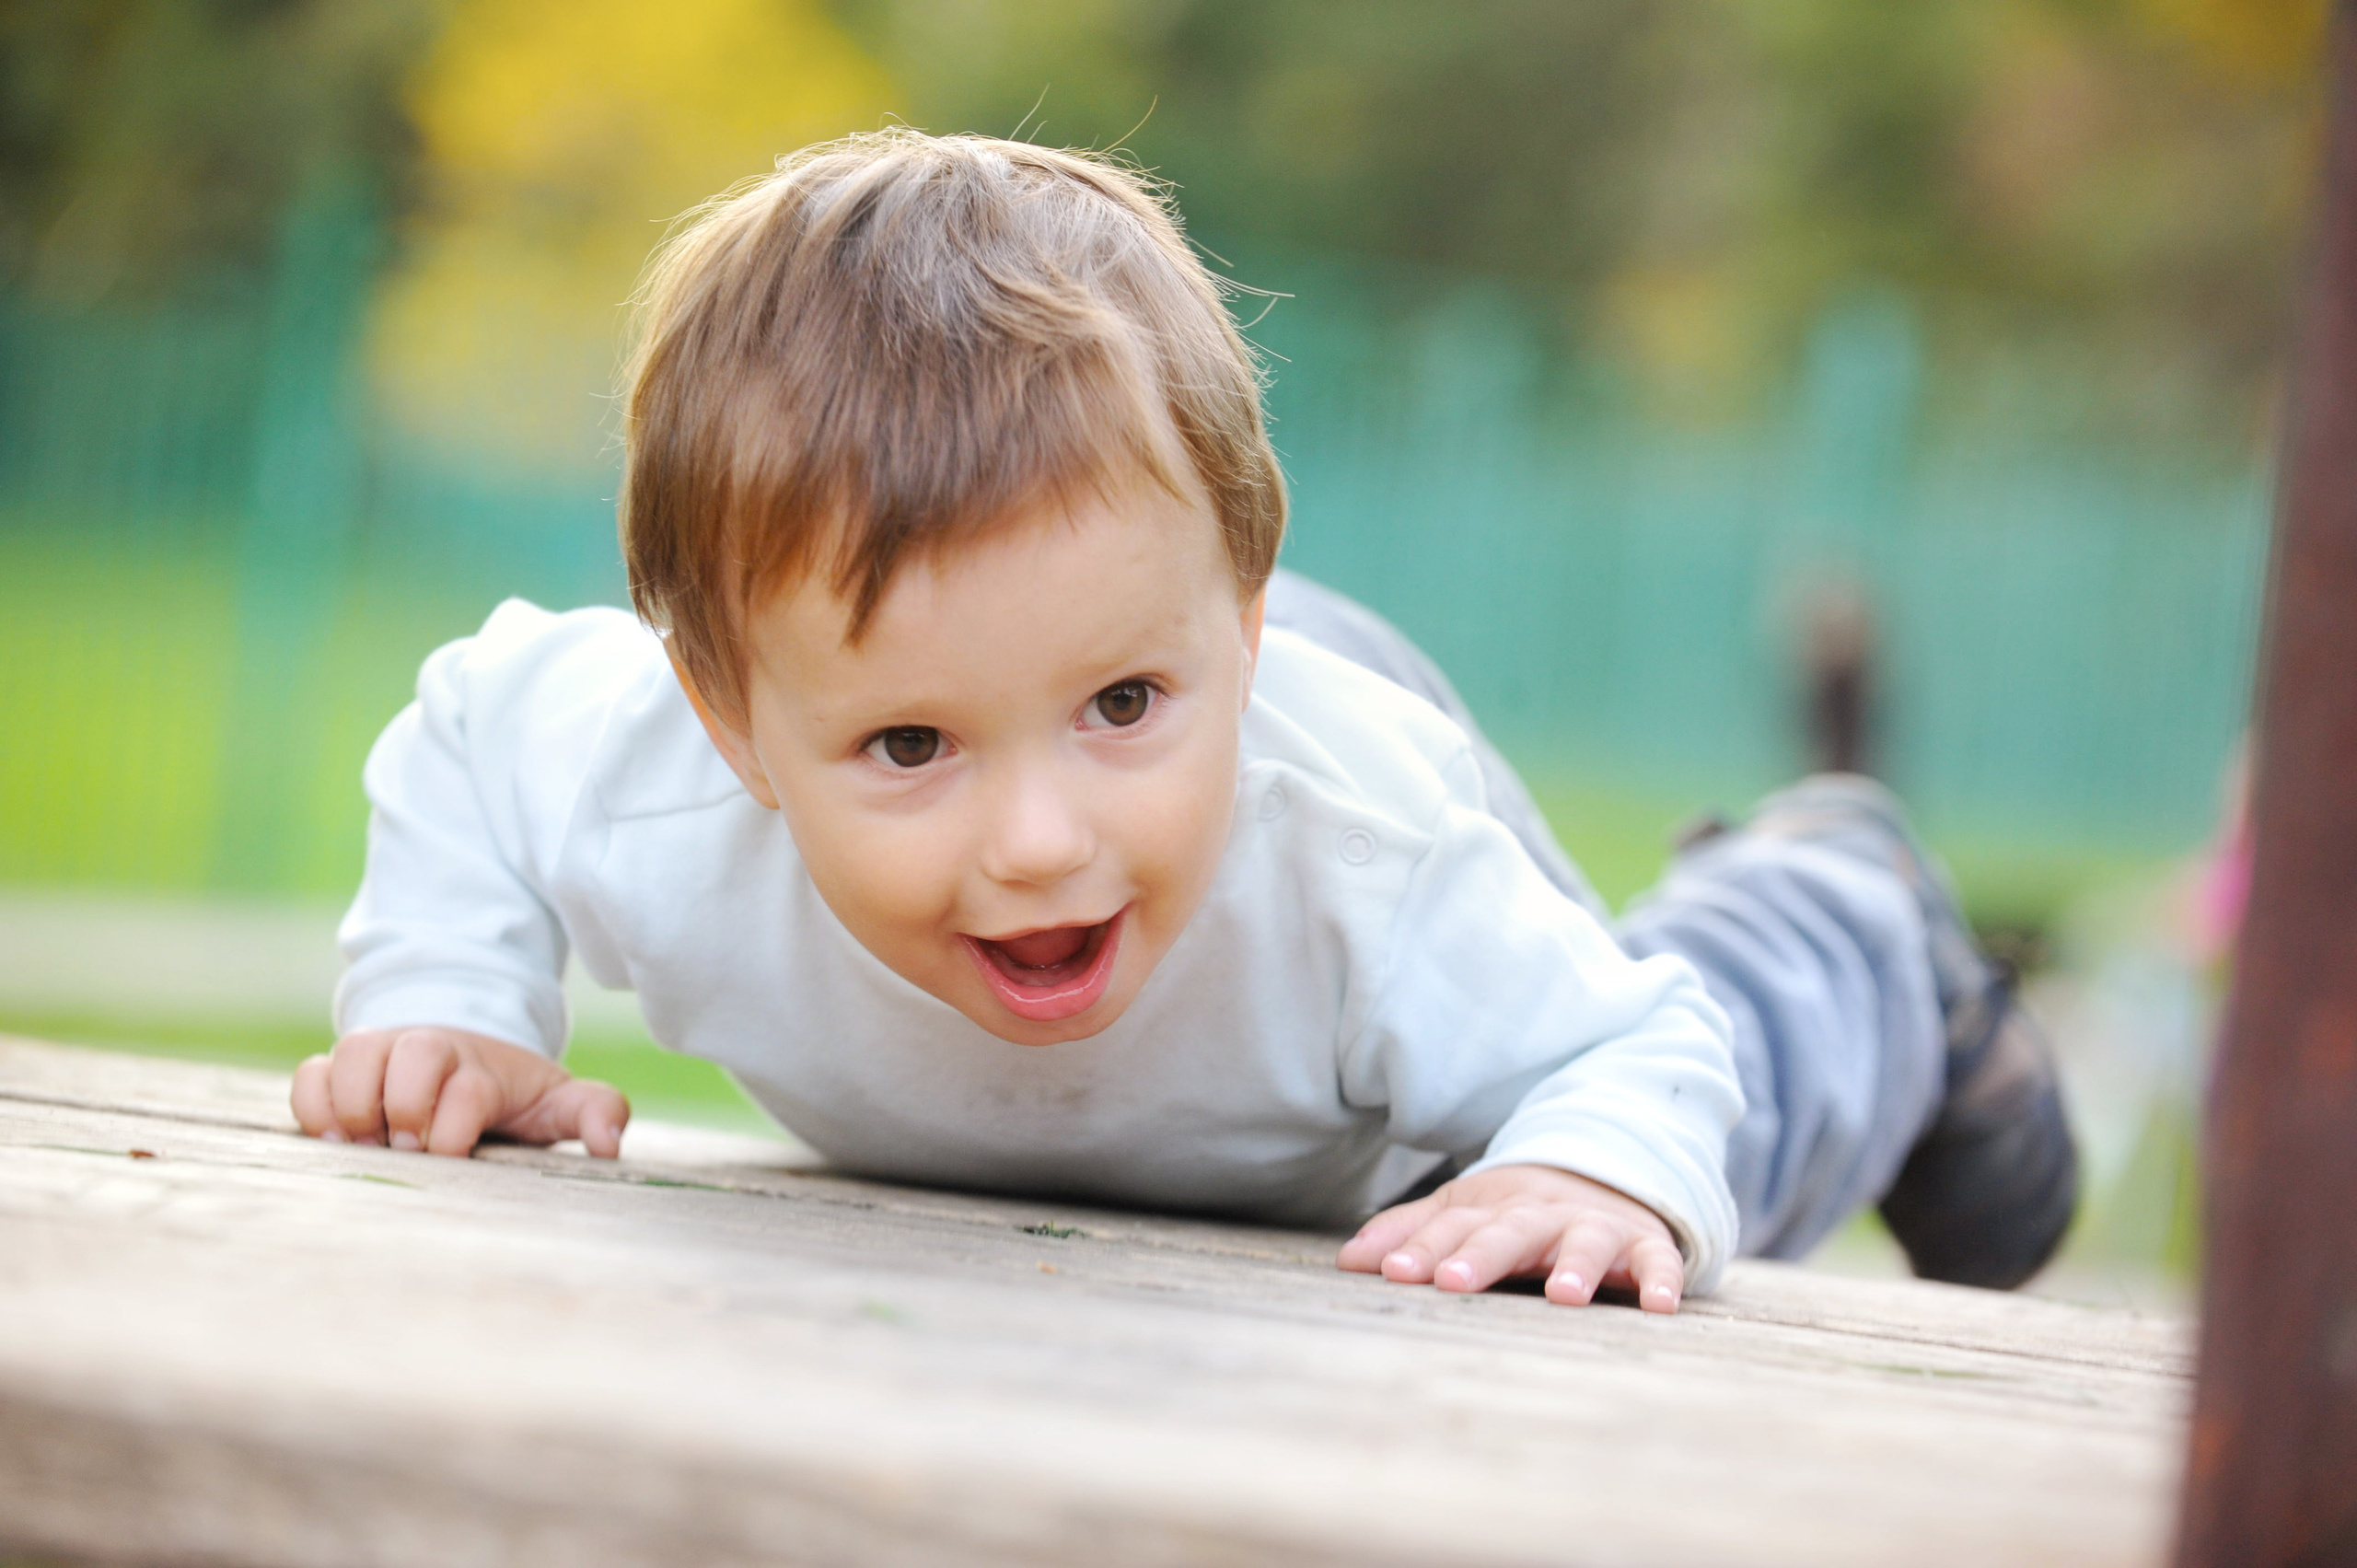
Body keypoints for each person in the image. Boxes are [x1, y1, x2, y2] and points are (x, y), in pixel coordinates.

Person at [295, 131, 2076, 1309]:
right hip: (1200, 684)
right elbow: (471, 725)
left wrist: (1596, 1165)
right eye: (910, 747)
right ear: (733, 722)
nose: (1043, 840)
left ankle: (1841, 902)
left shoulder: (1360, 863)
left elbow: (1630, 1051)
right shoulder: (648, 768)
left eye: (1116, 709)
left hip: (1351, 848)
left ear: (1233, 617)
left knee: (1654, 1192)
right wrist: (452, 1005)